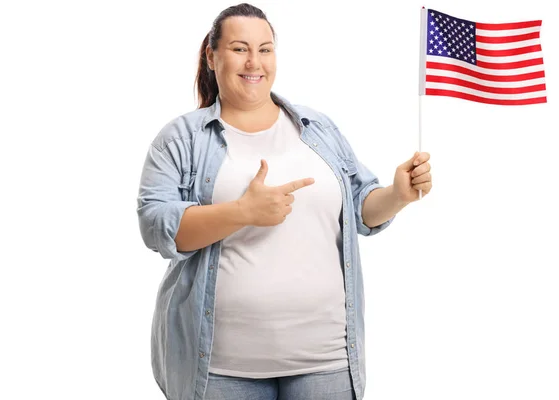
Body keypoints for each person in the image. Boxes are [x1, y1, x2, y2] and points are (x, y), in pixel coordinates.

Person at [136, 3, 432, 400]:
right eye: (240, 48)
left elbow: (361, 207)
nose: (254, 62)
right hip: (221, 368)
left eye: (265, 49)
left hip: (326, 360)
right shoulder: (181, 139)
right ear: (212, 55)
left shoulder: (317, 128)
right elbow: (156, 226)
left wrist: (398, 195)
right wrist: (242, 212)